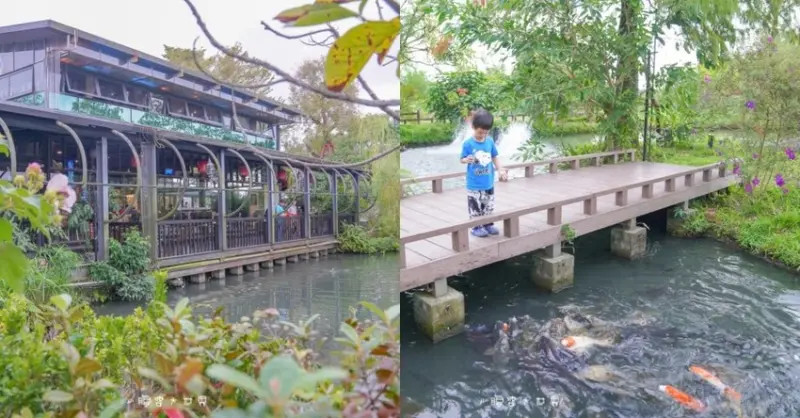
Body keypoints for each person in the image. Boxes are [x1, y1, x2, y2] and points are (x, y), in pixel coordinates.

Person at [460, 109, 508, 237]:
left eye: (486, 132)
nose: (482, 135)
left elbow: (494, 157)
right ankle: (476, 227)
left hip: (488, 181)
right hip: (474, 183)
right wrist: (466, 160)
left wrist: (501, 169)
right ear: (473, 127)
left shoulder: (489, 141)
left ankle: (488, 224)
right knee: (475, 206)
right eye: (480, 132)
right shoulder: (468, 144)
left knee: (488, 205)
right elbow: (462, 159)